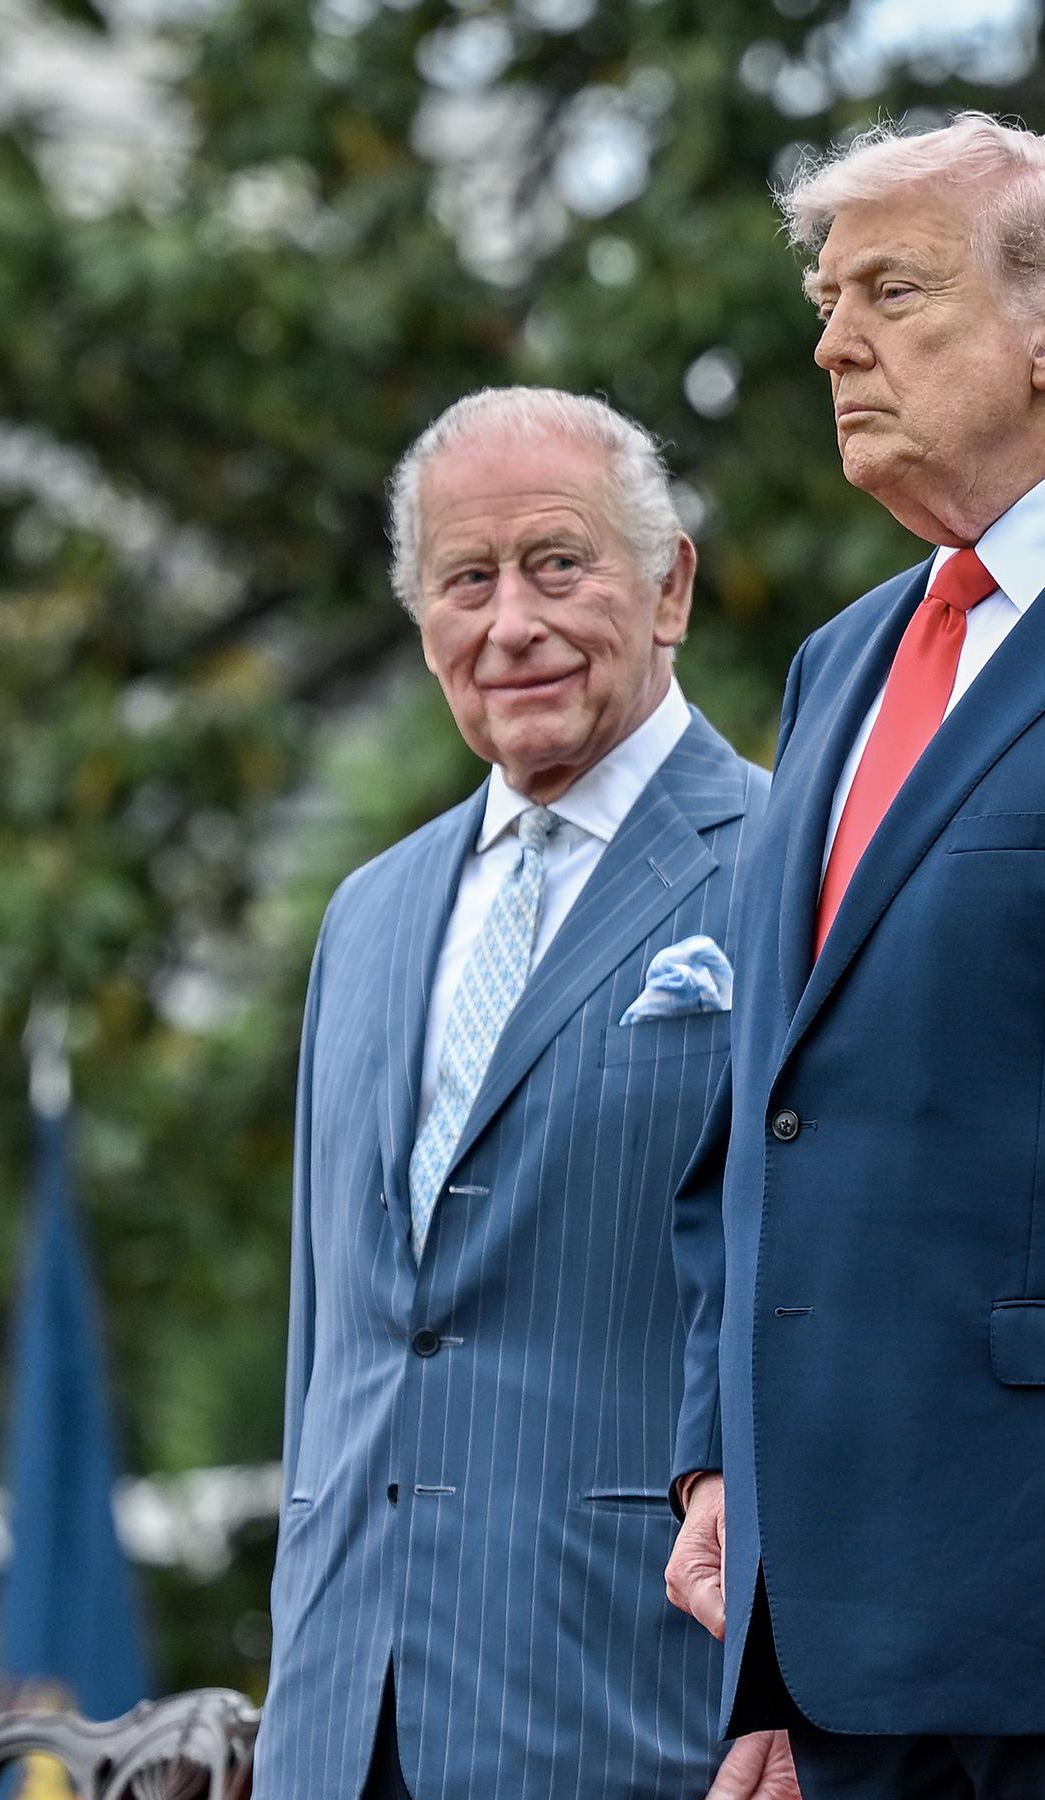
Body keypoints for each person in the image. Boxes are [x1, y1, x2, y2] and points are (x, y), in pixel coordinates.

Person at [252, 386, 769, 1800]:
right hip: (341, 1716)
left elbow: (827, 1315)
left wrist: (790, 1688)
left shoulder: (796, 870)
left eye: (558, 563)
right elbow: (337, 1339)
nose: (512, 624)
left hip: (645, 1707)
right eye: (467, 581)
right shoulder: (368, 911)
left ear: (669, 587)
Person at [666, 111, 1045, 1800]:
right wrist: (719, 1474)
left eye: (893, 290)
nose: (834, 341)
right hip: (832, 1632)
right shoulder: (842, 663)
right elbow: (771, 1106)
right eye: (829, 300)